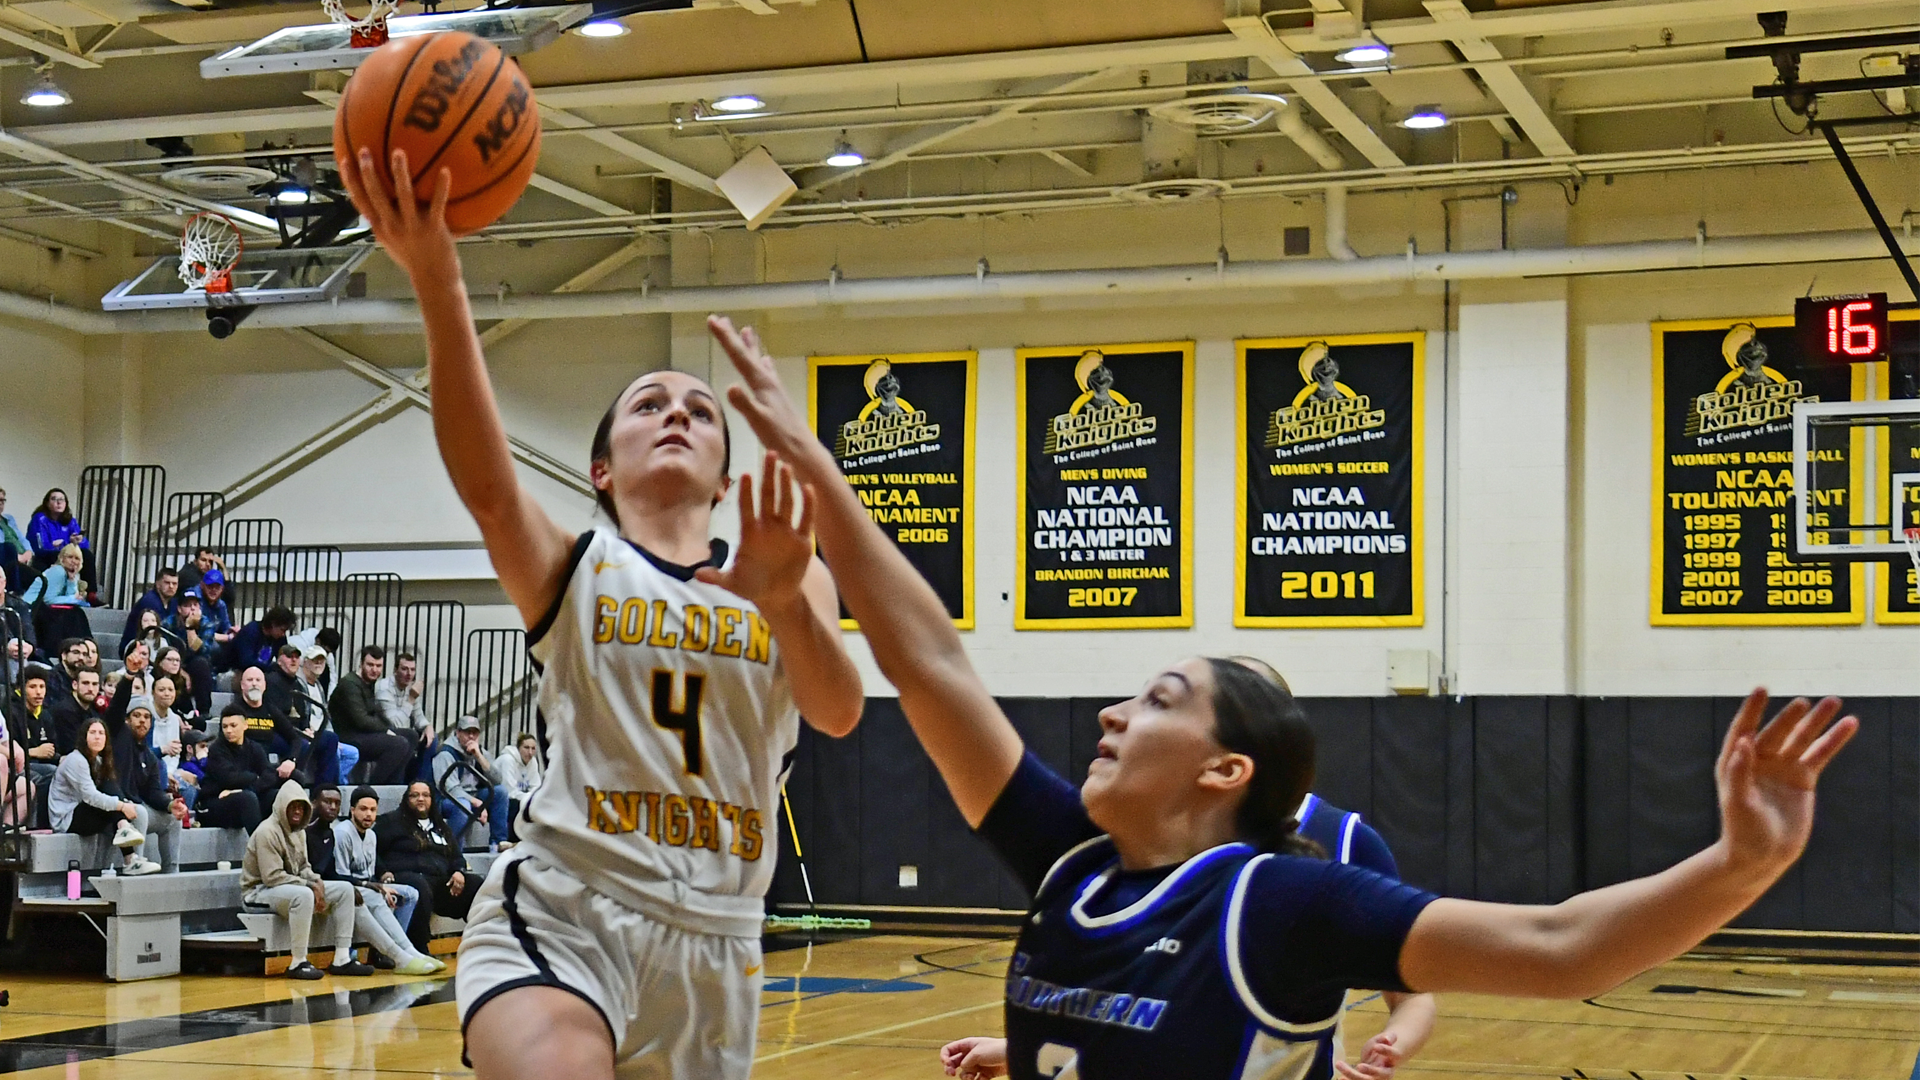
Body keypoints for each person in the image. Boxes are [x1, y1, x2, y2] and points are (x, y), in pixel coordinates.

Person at [709, 319, 1863, 1080]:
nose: (1110, 717)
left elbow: (1560, 948)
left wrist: (1742, 865)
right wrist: (812, 459)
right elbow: (932, 664)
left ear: (1227, 770)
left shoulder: (1284, 904)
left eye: (1156, 700)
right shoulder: (1067, 860)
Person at [345, 148, 867, 1080]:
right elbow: (488, 484)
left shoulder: (786, 576)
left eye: (702, 411)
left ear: (726, 472)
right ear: (601, 467)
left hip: (715, 943)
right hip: (565, 907)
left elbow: (836, 711)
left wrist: (787, 600)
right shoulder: (580, 566)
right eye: (649, 404)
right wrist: (437, 278)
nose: (678, 415)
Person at [240, 780, 373, 980]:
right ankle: (298, 961)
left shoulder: (299, 831)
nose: (297, 812)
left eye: (301, 808)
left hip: (287, 888)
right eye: (292, 807)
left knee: (345, 889)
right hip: (258, 893)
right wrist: (309, 886)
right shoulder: (267, 831)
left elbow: (303, 867)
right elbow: (272, 877)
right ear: (281, 807)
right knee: (303, 895)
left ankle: (342, 958)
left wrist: (316, 881)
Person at [307, 785, 444, 975]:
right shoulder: (342, 833)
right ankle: (397, 954)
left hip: (367, 884)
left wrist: (383, 878)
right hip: (349, 886)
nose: (368, 815)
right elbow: (339, 875)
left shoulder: (371, 834)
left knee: (410, 893)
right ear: (352, 810)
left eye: (372, 810)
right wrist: (372, 886)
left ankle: (405, 951)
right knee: (372, 896)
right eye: (363, 809)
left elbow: (372, 867)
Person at [51, 718, 162, 875]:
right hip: (67, 818)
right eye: (93, 733)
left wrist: (123, 803)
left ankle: (130, 855)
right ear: (84, 737)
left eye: (101, 733)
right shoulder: (75, 760)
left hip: (86, 812)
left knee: (110, 785)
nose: (98, 737)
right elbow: (91, 797)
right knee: (111, 801)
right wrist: (122, 806)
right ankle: (125, 836)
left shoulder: (98, 760)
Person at [376, 781, 474, 953]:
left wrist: (459, 871)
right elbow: (372, 850)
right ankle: (419, 947)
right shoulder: (391, 821)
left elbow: (456, 856)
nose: (420, 799)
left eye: (425, 795)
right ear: (406, 799)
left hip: (438, 883)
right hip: (405, 876)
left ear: (432, 799)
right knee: (419, 884)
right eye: (415, 795)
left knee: (474, 883)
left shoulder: (441, 827)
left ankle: (479, 937)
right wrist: (383, 872)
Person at [114, 699, 182, 873]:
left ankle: (172, 873)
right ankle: (134, 864)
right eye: (136, 716)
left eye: (146, 717)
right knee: (140, 811)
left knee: (173, 819)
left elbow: (153, 792)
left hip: (136, 807)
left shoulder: (149, 756)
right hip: (114, 806)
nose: (142, 721)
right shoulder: (119, 741)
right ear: (126, 720)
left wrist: (169, 804)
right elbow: (116, 707)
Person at [331, 647, 411, 785]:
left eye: (379, 666)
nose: (375, 670)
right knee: (399, 744)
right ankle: (374, 787)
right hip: (349, 736)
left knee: (411, 736)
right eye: (370, 665)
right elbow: (361, 720)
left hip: (365, 734)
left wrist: (389, 727)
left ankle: (395, 784)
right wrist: (386, 730)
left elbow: (375, 713)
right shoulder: (349, 684)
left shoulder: (368, 683)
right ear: (361, 664)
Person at [432, 717, 511, 852]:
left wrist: (479, 756)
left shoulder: (478, 751)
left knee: (500, 792)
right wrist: (477, 803)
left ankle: (498, 842)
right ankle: (454, 851)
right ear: (457, 733)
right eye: (467, 732)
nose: (471, 736)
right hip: (446, 799)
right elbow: (450, 789)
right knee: (463, 805)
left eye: (475, 733)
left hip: (473, 795)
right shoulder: (446, 753)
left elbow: (497, 780)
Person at [198, 705, 272, 831]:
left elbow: (269, 775)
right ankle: (259, 847)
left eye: (233, 725)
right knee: (247, 798)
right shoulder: (216, 749)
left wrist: (246, 788)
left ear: (245, 725)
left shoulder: (255, 748)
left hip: (243, 796)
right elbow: (229, 779)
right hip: (215, 802)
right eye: (225, 726)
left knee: (274, 796)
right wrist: (254, 777)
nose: (228, 730)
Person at [373, 650, 435, 778]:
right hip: (383, 732)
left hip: (405, 733)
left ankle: (421, 783)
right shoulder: (383, 688)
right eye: (404, 669)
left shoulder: (409, 688)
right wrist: (411, 698)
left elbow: (419, 717)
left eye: (412, 670)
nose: (409, 674)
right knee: (409, 736)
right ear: (395, 670)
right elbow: (396, 723)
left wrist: (428, 727)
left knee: (431, 739)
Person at [9, 664, 56, 825]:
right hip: (15, 766)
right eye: (32, 687)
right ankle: (37, 825)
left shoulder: (46, 714)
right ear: (21, 688)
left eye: (42, 686)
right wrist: (34, 752)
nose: (38, 692)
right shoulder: (10, 710)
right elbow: (8, 749)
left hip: (39, 763)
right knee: (50, 773)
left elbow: (52, 747)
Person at [26, 489, 96, 597]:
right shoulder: (40, 519)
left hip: (65, 556)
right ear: (47, 503)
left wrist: (75, 542)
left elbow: (85, 544)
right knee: (64, 558)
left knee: (86, 554)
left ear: (66, 503)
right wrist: (63, 545)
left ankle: (91, 594)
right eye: (54, 499)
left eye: (61, 500)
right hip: (46, 556)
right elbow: (41, 547)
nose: (58, 502)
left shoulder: (70, 521)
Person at [22, 543, 93, 646]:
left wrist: (71, 581)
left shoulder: (71, 574)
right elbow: (49, 599)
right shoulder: (58, 571)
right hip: (31, 608)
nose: (74, 561)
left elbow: (68, 598)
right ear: (62, 559)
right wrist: (73, 598)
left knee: (75, 614)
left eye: (77, 558)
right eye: (70, 557)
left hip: (43, 609)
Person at [164, 590, 218, 715]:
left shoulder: (206, 623)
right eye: (188, 605)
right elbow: (162, 651)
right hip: (175, 663)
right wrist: (181, 672)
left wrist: (190, 627)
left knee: (201, 664)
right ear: (179, 609)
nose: (192, 609)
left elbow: (201, 650)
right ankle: (185, 712)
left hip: (197, 663)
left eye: (196, 605)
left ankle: (204, 711)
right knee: (171, 667)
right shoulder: (168, 623)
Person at [51, 666, 101, 758]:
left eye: (94, 684)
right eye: (85, 683)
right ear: (74, 685)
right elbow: (71, 748)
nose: (90, 688)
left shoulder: (94, 711)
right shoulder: (64, 710)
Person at [123, 568, 179, 645]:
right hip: (135, 645)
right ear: (158, 584)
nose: (171, 586)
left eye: (174, 583)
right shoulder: (150, 601)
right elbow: (159, 629)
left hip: (156, 644)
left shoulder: (173, 602)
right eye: (167, 583)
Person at [494, 732, 541, 818]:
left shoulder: (533, 761)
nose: (530, 752)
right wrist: (529, 798)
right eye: (526, 748)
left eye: (533, 748)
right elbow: (509, 792)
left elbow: (536, 787)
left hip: (519, 797)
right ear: (518, 748)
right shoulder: (507, 760)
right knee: (517, 806)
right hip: (498, 800)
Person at [0, 488, 33, 592]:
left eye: (2, 500)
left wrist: (28, 551)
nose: (0, 504)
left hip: (22, 558)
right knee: (9, 547)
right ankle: (14, 592)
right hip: (7, 558)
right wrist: (17, 556)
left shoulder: (9, 519)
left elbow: (21, 538)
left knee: (40, 580)